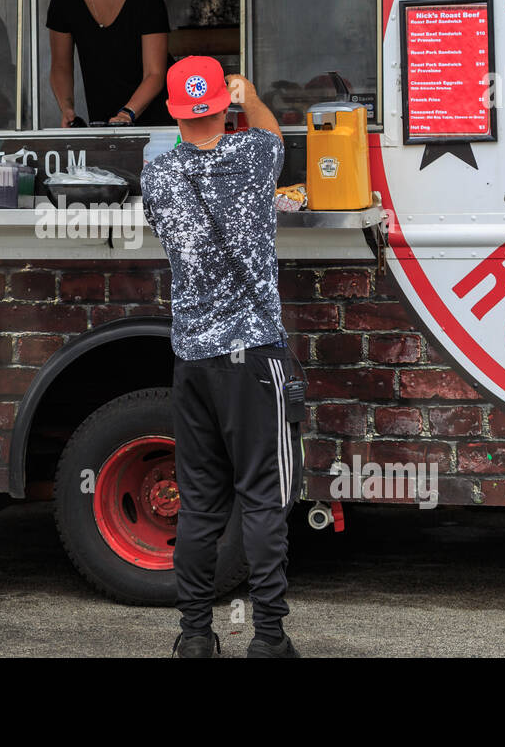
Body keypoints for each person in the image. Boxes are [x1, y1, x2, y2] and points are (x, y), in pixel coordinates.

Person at [140, 55, 301, 658]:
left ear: (176, 111)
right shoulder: (253, 155)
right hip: (255, 357)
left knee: (200, 504)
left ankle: (195, 637)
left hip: (193, 361)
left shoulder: (157, 177)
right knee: (263, 497)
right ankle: (268, 639)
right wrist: (251, 95)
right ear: (221, 108)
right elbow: (273, 135)